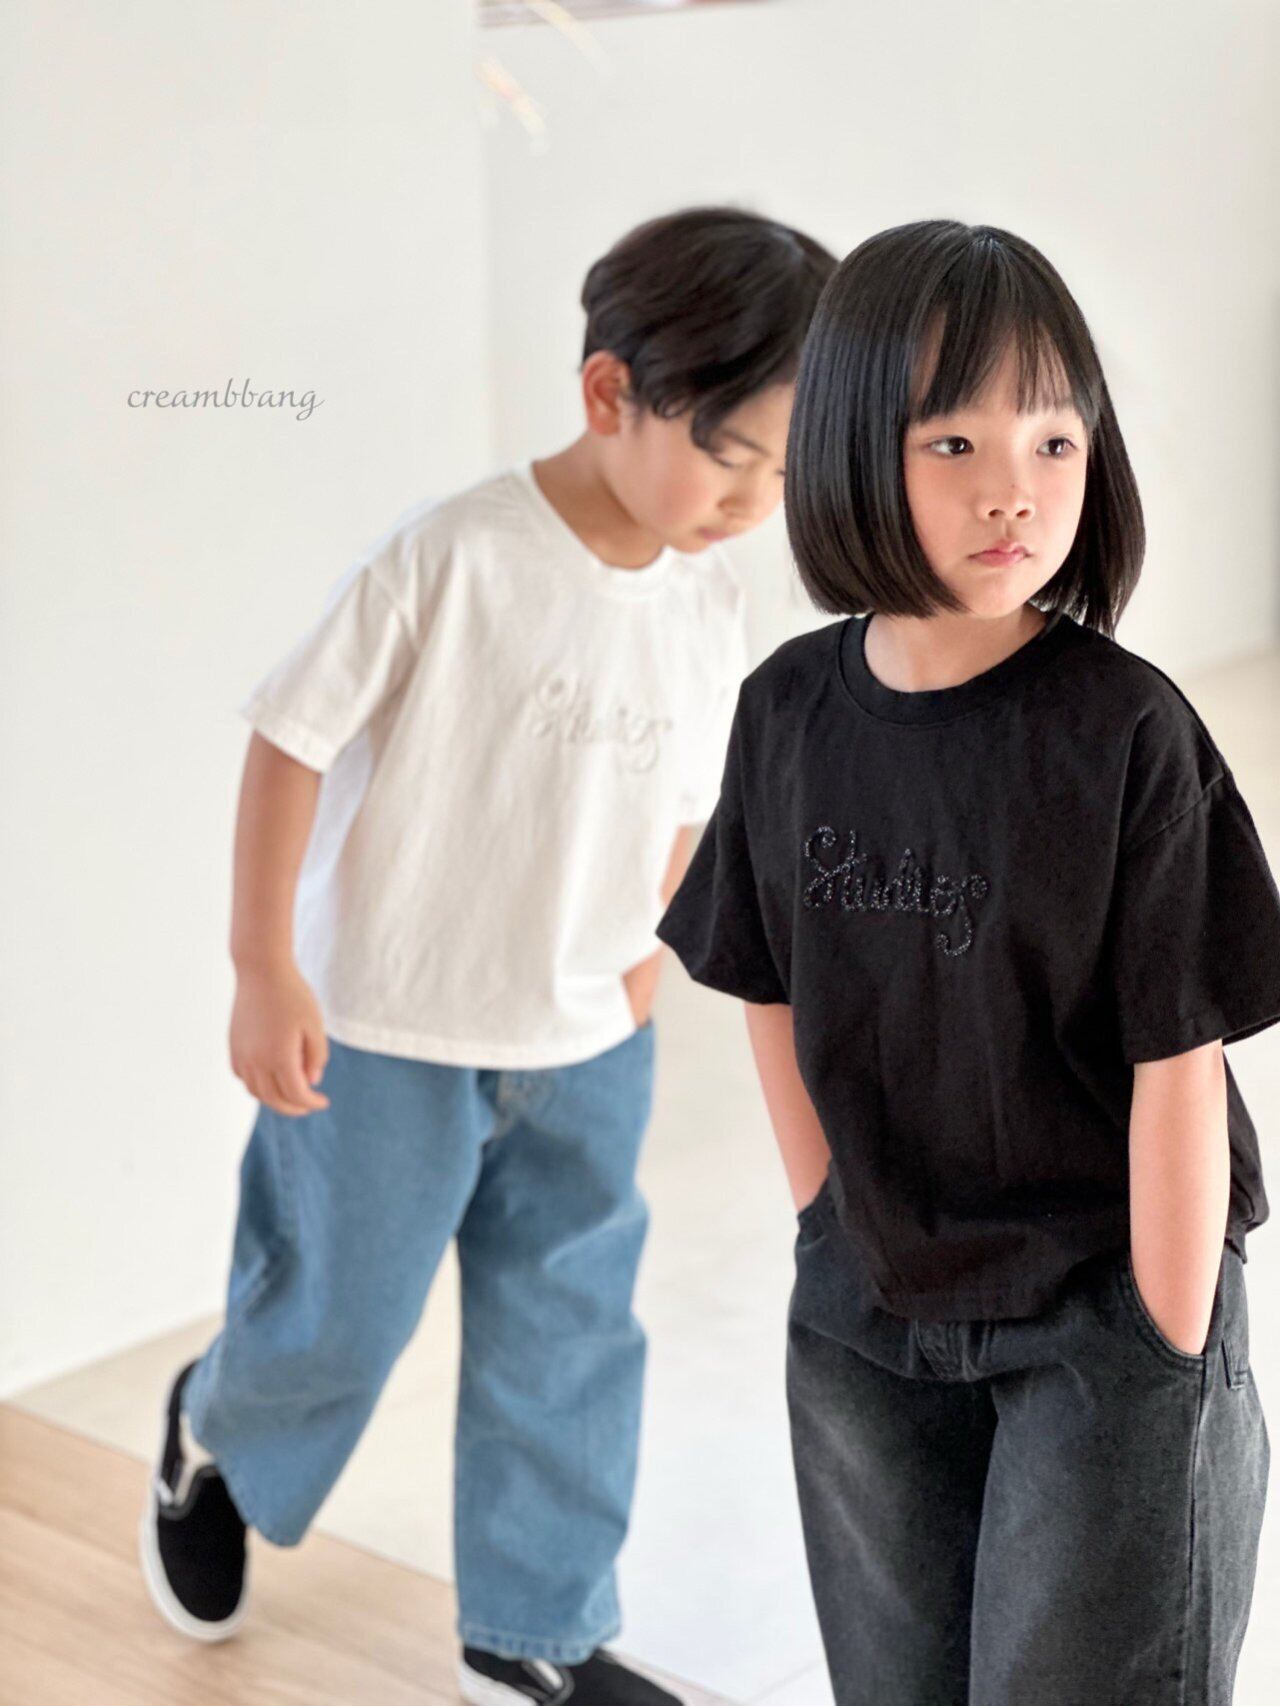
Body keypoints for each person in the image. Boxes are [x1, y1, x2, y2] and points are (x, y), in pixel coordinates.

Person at [138, 205, 837, 1704]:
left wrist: (650, 950)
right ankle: (216, 1425)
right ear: (610, 392)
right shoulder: (454, 554)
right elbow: (289, 738)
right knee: (340, 1317)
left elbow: (688, 793)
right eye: (733, 456)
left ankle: (534, 1631)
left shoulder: (709, 599)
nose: (754, 502)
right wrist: (264, 966)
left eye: (785, 472)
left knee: (569, 1336)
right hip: (383, 1032)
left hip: (586, 1041)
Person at [654, 219, 1280, 1705]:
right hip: (868, 1305)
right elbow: (765, 979)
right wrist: (826, 1219)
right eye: (954, 442)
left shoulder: (1128, 733)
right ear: (851, 453)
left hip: (1101, 1321)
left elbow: (1180, 1060)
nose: (1016, 489)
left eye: (1055, 440)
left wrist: (1164, 1338)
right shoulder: (787, 712)